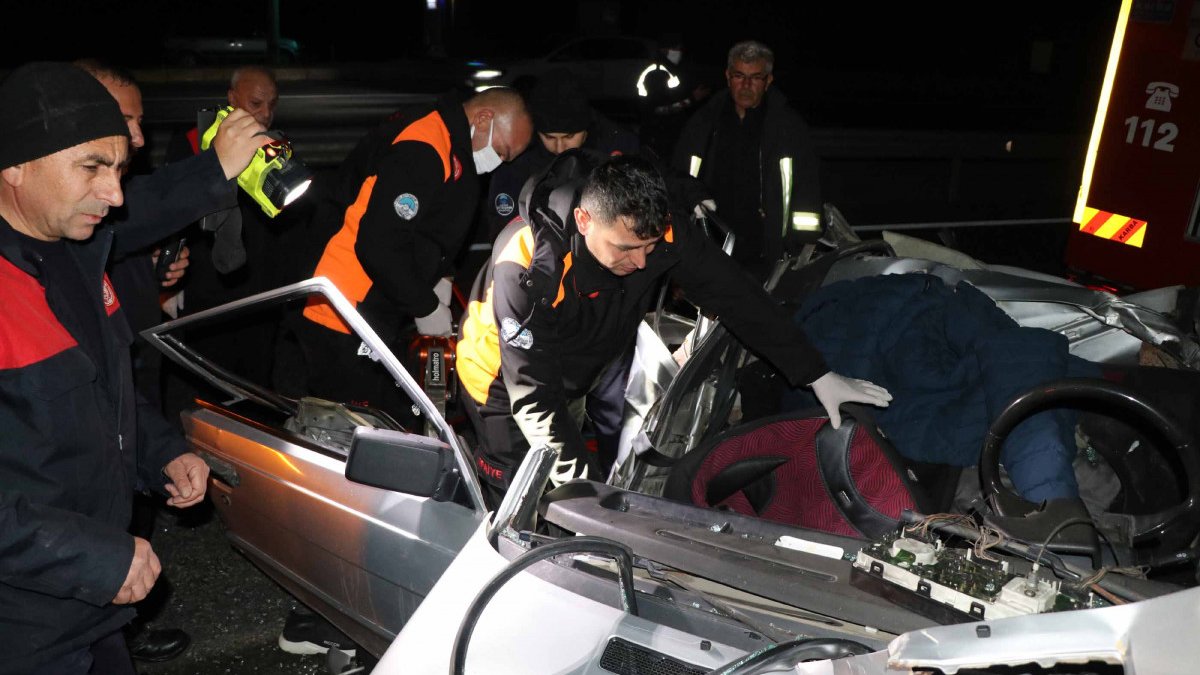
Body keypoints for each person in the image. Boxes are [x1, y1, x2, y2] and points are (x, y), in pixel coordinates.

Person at [456, 151, 891, 506]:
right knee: (523, 501)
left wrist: (814, 372)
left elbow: (737, 297)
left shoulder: (656, 229)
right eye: (627, 249)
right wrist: (589, 498)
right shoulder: (529, 266)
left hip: (572, 373)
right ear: (585, 221)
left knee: (567, 489)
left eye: (649, 247)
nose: (642, 262)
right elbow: (533, 398)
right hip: (501, 383)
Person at [0, 61, 213, 674]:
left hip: (94, 611)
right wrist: (91, 557)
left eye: (119, 169)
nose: (115, 195)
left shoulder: (82, 257)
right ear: (14, 164)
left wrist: (162, 452)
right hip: (22, 626)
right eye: (92, 167)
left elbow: (105, 392)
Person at [294, 86, 532, 423]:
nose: (499, 162)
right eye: (502, 152)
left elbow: (432, 223)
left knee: (386, 418)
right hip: (343, 307)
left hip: (376, 306)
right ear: (483, 119)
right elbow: (379, 242)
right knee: (350, 426)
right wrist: (425, 305)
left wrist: (441, 275)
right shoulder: (424, 144)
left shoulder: (452, 144)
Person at [673, 40, 821, 282]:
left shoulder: (787, 128)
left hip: (766, 252)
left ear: (768, 80)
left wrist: (799, 248)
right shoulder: (704, 122)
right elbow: (679, 177)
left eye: (755, 77)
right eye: (739, 76)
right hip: (712, 248)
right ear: (727, 77)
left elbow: (808, 190)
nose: (746, 85)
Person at [480, 68, 639, 244]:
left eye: (569, 137)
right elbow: (503, 224)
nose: (560, 147)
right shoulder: (520, 154)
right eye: (549, 138)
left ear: (586, 130)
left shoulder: (615, 146)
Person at [637, 32, 712, 159]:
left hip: (666, 134)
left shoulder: (670, 70)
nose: (679, 52)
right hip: (657, 137)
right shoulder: (657, 72)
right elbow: (659, 109)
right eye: (676, 49)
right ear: (665, 50)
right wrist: (692, 100)